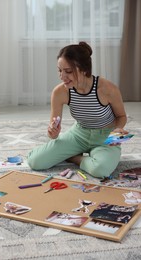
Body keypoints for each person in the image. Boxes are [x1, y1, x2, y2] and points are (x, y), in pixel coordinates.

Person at [27, 41, 128, 178]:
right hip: (79, 134)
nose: (62, 76)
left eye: (68, 71)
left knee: (101, 170)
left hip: (105, 136)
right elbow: (53, 134)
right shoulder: (60, 92)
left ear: (84, 69)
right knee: (35, 161)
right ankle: (83, 156)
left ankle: (74, 157)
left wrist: (117, 130)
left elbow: (121, 116)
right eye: (59, 70)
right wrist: (53, 132)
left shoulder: (107, 89)